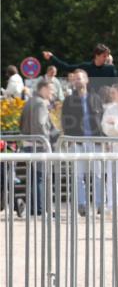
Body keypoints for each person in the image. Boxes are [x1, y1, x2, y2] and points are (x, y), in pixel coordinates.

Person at [61, 70, 105, 215]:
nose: (78, 81)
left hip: (95, 142)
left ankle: (100, 204)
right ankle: (82, 204)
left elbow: (102, 119)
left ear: (86, 80)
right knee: (78, 175)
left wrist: (104, 139)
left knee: (98, 175)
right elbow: (65, 120)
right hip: (77, 142)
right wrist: (68, 140)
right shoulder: (68, 100)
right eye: (75, 79)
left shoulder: (96, 98)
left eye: (80, 79)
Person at [18, 80, 58, 214]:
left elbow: (21, 122)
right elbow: (41, 125)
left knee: (33, 177)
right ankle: (40, 209)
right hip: (39, 145)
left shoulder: (29, 101)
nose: (52, 92)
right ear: (43, 88)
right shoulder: (41, 103)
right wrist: (47, 140)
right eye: (51, 89)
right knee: (40, 177)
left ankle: (33, 208)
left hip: (28, 144)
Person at [42, 44, 118, 94]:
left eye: (107, 56)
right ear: (97, 56)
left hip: (105, 102)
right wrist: (52, 57)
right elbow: (67, 67)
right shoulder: (86, 67)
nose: (106, 58)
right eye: (104, 56)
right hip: (89, 101)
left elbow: (115, 85)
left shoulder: (110, 69)